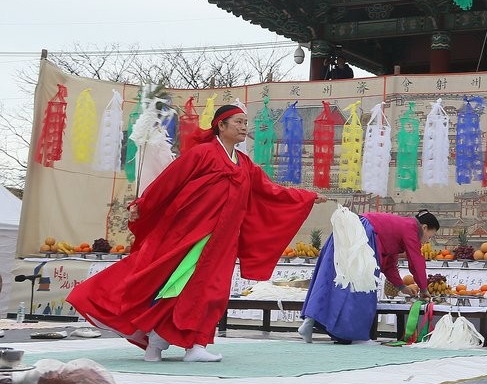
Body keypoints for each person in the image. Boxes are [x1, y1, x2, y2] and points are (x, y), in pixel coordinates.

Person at [68, 104, 327, 362]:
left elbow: (271, 191)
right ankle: (157, 342)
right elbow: (168, 182)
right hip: (192, 235)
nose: (244, 127)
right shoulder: (202, 154)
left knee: (211, 292)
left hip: (223, 241)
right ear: (220, 126)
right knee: (173, 284)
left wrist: (306, 197)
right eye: (238, 122)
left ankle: (191, 344)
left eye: (245, 123)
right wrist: (142, 205)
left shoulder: (245, 164)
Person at [298, 209, 439, 344]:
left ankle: (309, 322)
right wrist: (424, 288)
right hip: (364, 235)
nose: (427, 241)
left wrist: (401, 286)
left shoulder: (399, 228)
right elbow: (416, 260)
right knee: (361, 288)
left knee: (334, 281)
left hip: (350, 230)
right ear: (424, 228)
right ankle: (344, 334)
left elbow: (389, 264)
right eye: (430, 237)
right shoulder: (411, 228)